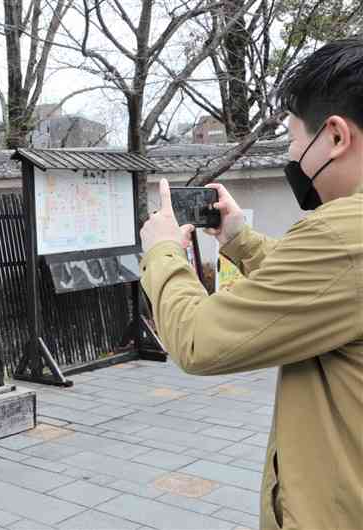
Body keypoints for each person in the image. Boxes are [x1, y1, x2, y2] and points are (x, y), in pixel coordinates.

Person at [139, 38, 363, 529]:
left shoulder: (343, 232)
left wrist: (161, 250)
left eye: (293, 137)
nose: (291, 153)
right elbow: (329, 291)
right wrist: (241, 240)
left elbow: (200, 339)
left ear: (336, 137)